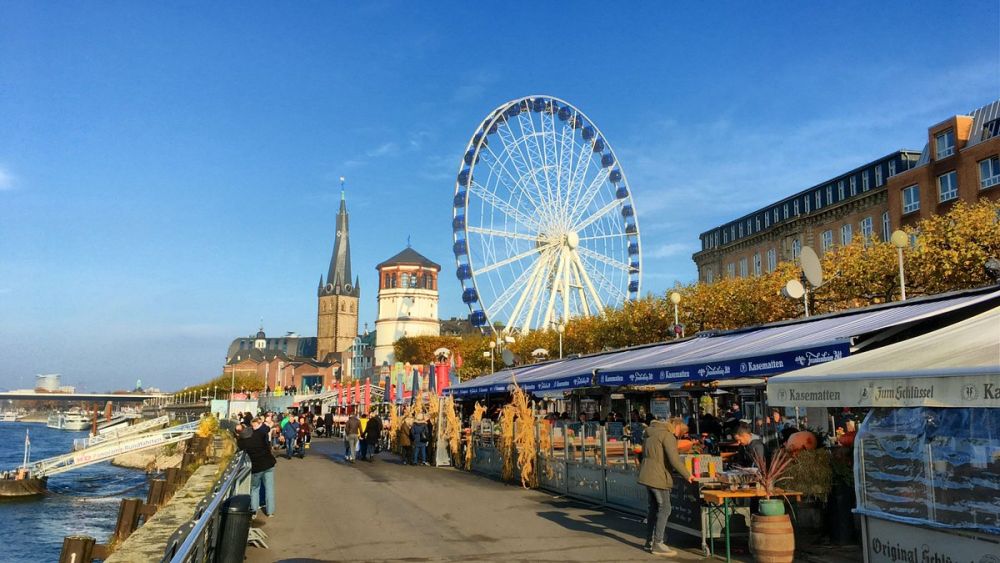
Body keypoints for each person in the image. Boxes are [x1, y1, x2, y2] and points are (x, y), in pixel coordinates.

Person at [638, 416, 694, 557]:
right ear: (677, 427)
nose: (678, 436)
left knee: (654, 508)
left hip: (647, 473)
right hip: (659, 476)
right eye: (680, 433)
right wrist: (688, 475)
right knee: (665, 508)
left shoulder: (650, 433)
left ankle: (649, 541)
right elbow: (674, 459)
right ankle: (658, 543)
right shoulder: (667, 436)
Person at [237, 418, 276, 517]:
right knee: (269, 488)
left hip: (256, 467)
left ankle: (254, 512)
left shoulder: (242, 442)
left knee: (255, 489)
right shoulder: (259, 435)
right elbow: (265, 429)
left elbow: (238, 450)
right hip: (268, 464)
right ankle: (270, 512)